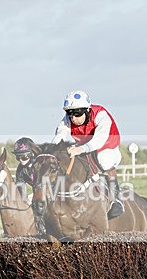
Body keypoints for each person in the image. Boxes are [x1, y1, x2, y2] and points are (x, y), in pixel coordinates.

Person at [52, 90, 125, 219]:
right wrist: (55, 151)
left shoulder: (101, 115)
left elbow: (99, 140)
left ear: (87, 110)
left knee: (104, 160)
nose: (73, 118)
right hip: (86, 147)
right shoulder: (68, 119)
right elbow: (60, 135)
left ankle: (116, 200)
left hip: (107, 146)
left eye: (77, 113)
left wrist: (80, 149)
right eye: (69, 113)